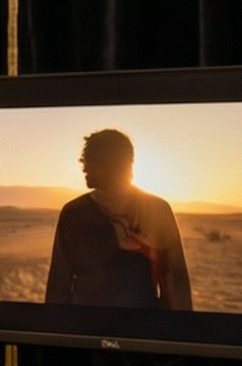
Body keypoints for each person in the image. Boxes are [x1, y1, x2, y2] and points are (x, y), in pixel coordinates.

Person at [43, 128, 192, 310]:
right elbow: (59, 284)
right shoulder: (73, 213)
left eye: (91, 160)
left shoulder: (156, 211)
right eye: (85, 160)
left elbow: (174, 281)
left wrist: (178, 331)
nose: (84, 167)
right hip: (86, 331)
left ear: (114, 165)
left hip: (141, 331)